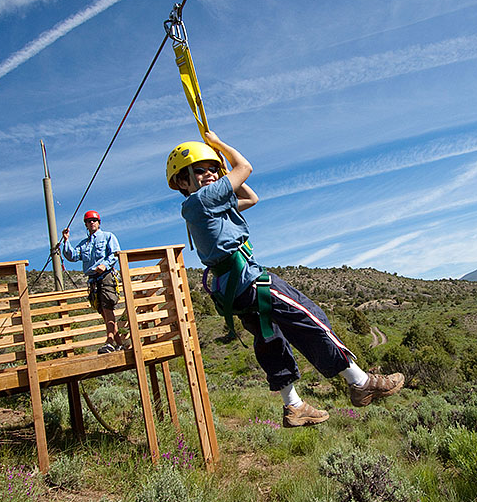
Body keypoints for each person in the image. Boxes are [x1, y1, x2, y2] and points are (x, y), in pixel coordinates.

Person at [166, 131, 404, 427]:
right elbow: (246, 168)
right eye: (200, 171)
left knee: (270, 337)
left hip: (233, 290)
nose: (210, 174)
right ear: (182, 181)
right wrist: (219, 147)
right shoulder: (201, 200)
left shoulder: (207, 208)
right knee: (310, 317)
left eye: (214, 169)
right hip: (249, 280)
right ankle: (361, 382)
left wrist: (222, 172)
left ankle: (293, 406)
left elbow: (250, 197)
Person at [62, 210, 127, 354]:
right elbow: (72, 256)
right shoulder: (83, 244)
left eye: (94, 220)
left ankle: (109, 341)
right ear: (85, 225)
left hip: (106, 276)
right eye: (88, 221)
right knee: (104, 312)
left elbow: (115, 253)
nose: (91, 223)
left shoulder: (108, 236)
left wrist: (105, 264)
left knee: (107, 307)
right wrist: (66, 240)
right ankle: (120, 344)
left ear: (99, 222)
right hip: (93, 281)